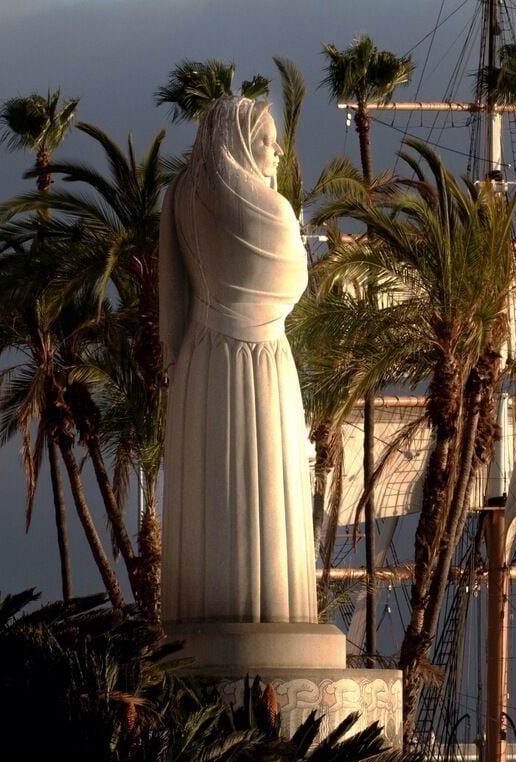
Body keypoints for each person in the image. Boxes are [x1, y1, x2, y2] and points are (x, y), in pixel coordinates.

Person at [159, 96, 316, 624]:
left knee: (207, 502)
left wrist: (174, 362)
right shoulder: (267, 208)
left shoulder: (180, 195)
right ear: (242, 142)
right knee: (266, 504)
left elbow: (171, 299)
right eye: (267, 141)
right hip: (262, 363)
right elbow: (292, 282)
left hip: (198, 366)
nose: (275, 153)